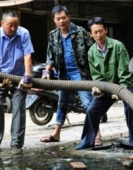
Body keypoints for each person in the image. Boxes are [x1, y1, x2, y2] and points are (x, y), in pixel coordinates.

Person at [75, 17, 133, 152]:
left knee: (131, 110)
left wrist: (120, 91)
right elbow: (97, 76)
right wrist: (98, 89)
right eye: (95, 32)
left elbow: (125, 73)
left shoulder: (118, 46)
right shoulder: (91, 52)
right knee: (91, 110)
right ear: (90, 34)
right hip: (106, 87)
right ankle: (87, 141)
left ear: (106, 30)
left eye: (101, 31)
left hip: (123, 86)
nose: (99, 35)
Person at [40, 5, 102, 145]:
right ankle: (56, 134)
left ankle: (97, 134)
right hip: (63, 73)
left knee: (88, 104)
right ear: (54, 20)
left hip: (80, 73)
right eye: (58, 19)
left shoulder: (80, 32)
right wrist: (46, 71)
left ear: (68, 17)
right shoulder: (53, 36)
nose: (61, 21)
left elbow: (93, 52)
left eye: (63, 18)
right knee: (62, 103)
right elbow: (50, 56)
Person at [0, 11, 34, 154]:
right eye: (10, 25)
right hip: (1, 76)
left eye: (16, 25)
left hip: (19, 78)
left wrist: (27, 77)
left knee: (18, 107)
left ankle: (16, 144)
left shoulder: (24, 33)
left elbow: (27, 55)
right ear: (2, 24)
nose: (13, 28)